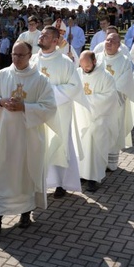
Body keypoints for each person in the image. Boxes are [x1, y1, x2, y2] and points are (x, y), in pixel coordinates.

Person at [0, 40, 57, 234]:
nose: (16, 58)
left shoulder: (40, 80)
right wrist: (1, 101)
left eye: (21, 55)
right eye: (14, 54)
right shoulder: (2, 75)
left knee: (25, 173)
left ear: (30, 56)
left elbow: (50, 108)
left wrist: (25, 107)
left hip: (27, 137)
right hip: (3, 135)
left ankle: (25, 214)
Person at [34, 26, 84, 198]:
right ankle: (39, 181)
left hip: (59, 113)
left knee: (60, 147)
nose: (41, 37)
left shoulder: (65, 62)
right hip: (37, 114)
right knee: (39, 147)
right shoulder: (33, 60)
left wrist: (49, 93)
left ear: (55, 41)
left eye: (45, 35)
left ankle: (61, 183)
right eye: (41, 34)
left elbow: (74, 87)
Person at [73, 51, 118, 192]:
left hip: (99, 119)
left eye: (87, 65)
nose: (85, 69)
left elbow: (109, 97)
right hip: (81, 118)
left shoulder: (106, 77)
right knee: (82, 147)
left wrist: (86, 100)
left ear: (94, 61)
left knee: (95, 150)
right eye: (82, 65)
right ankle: (82, 174)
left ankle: (94, 178)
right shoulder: (77, 74)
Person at [97, 33, 134, 171]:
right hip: (98, 104)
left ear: (119, 45)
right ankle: (97, 161)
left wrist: (109, 97)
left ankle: (111, 163)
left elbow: (124, 82)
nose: (109, 43)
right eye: (107, 40)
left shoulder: (124, 60)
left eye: (113, 41)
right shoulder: (97, 58)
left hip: (115, 104)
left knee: (113, 131)